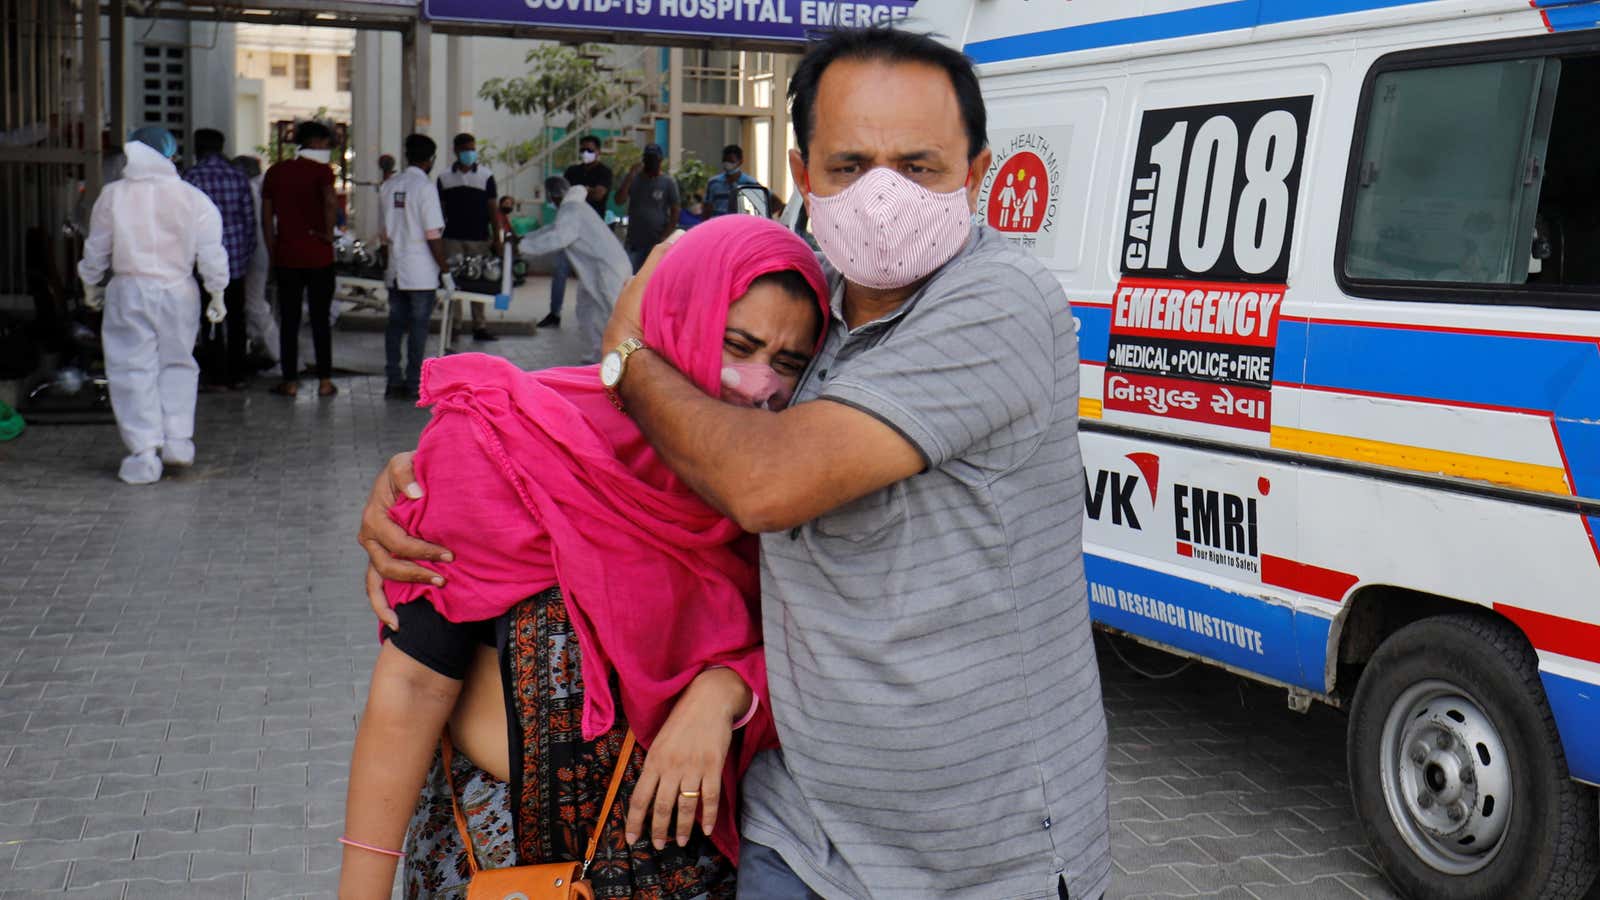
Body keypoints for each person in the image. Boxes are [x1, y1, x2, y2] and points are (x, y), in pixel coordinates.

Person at [359, 25, 1112, 900]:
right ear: (802, 175)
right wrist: (441, 471)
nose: (882, 196)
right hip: (797, 831)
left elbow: (761, 482)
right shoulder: (805, 300)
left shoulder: (1000, 303)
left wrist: (626, 357)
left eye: (920, 166)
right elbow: (597, 430)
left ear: (975, 177)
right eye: (848, 166)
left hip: (978, 854)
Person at [339, 216, 828, 900]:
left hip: (682, 880)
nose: (755, 385)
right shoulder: (505, 444)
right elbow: (411, 689)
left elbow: (817, 653)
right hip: (491, 871)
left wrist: (725, 692)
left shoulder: (772, 500)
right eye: (737, 344)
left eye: (787, 364)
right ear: (676, 320)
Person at [77, 126, 228, 485]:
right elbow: (211, 252)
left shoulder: (113, 196)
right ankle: (177, 441)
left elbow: (97, 247)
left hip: (129, 289)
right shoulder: (194, 199)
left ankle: (143, 452)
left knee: (131, 369)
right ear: (170, 155)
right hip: (179, 291)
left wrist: (90, 281)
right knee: (178, 364)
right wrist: (217, 292)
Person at [514, 177, 632, 364]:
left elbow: (559, 237)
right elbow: (552, 229)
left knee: (612, 314)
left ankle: (624, 360)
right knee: (586, 310)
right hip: (598, 269)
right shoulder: (573, 208)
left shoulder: (572, 209)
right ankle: (596, 358)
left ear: (553, 196)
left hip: (607, 270)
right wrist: (524, 238)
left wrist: (522, 247)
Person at [261, 119, 338, 398]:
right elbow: (330, 201)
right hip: (319, 255)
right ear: (316, 142)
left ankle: (290, 381)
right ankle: (325, 381)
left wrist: (272, 251)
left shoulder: (276, 172)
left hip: (287, 256)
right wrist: (328, 234)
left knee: (289, 321)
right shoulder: (322, 172)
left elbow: (267, 217)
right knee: (320, 319)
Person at [379, 134, 451, 400]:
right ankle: (413, 383)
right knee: (418, 327)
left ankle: (393, 380)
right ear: (430, 160)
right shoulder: (425, 189)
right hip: (421, 271)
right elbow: (433, 235)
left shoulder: (389, 186)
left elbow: (384, 233)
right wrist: (445, 270)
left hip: (395, 268)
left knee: (395, 325)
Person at [184, 128, 255, 390]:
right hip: (234, 261)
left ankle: (215, 374)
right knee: (237, 317)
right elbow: (249, 221)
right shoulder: (238, 176)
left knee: (208, 317)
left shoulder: (190, 177)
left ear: (197, 148)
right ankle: (237, 374)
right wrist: (246, 255)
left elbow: (183, 223)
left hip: (202, 262)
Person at [437, 132, 504, 344]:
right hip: (452, 238)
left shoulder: (486, 176)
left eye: (472, 149)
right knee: (454, 283)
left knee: (479, 282)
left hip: (479, 238)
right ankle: (454, 325)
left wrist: (497, 237)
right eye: (466, 150)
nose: (470, 154)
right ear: (456, 151)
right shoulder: (444, 177)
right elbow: (440, 210)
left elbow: (493, 209)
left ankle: (479, 325)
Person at [542, 135, 613, 329]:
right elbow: (561, 195)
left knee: (592, 276)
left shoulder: (604, 172)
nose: (585, 154)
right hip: (570, 229)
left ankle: (594, 316)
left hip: (592, 234)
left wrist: (578, 190)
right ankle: (554, 313)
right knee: (560, 271)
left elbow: (600, 194)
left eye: (590, 150)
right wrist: (586, 190)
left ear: (598, 152)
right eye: (583, 150)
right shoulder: (572, 171)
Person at [232, 155, 279, 369]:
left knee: (255, 305)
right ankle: (262, 349)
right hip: (260, 252)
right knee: (253, 304)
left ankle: (280, 355)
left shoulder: (251, 188)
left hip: (252, 253)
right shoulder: (262, 186)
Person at [615, 143, 680, 272]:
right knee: (630, 277)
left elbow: (675, 211)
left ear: (660, 160)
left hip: (656, 241)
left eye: (654, 160)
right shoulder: (634, 179)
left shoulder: (668, 182)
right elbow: (619, 200)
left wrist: (665, 236)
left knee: (652, 279)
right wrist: (629, 177)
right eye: (648, 159)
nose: (651, 163)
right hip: (634, 242)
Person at [703, 144, 767, 218]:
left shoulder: (750, 183)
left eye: (731, 161)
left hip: (740, 223)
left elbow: (765, 204)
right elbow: (707, 208)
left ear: (740, 161)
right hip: (719, 223)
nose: (727, 163)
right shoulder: (714, 183)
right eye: (725, 160)